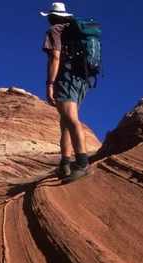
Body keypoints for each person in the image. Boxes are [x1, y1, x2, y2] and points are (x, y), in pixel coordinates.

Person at [41, 2, 93, 183]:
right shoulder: (74, 29)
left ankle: (83, 164)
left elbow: (55, 57)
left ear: (51, 17)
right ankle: (64, 164)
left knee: (70, 118)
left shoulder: (55, 30)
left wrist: (50, 83)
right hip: (83, 79)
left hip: (67, 77)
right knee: (64, 121)